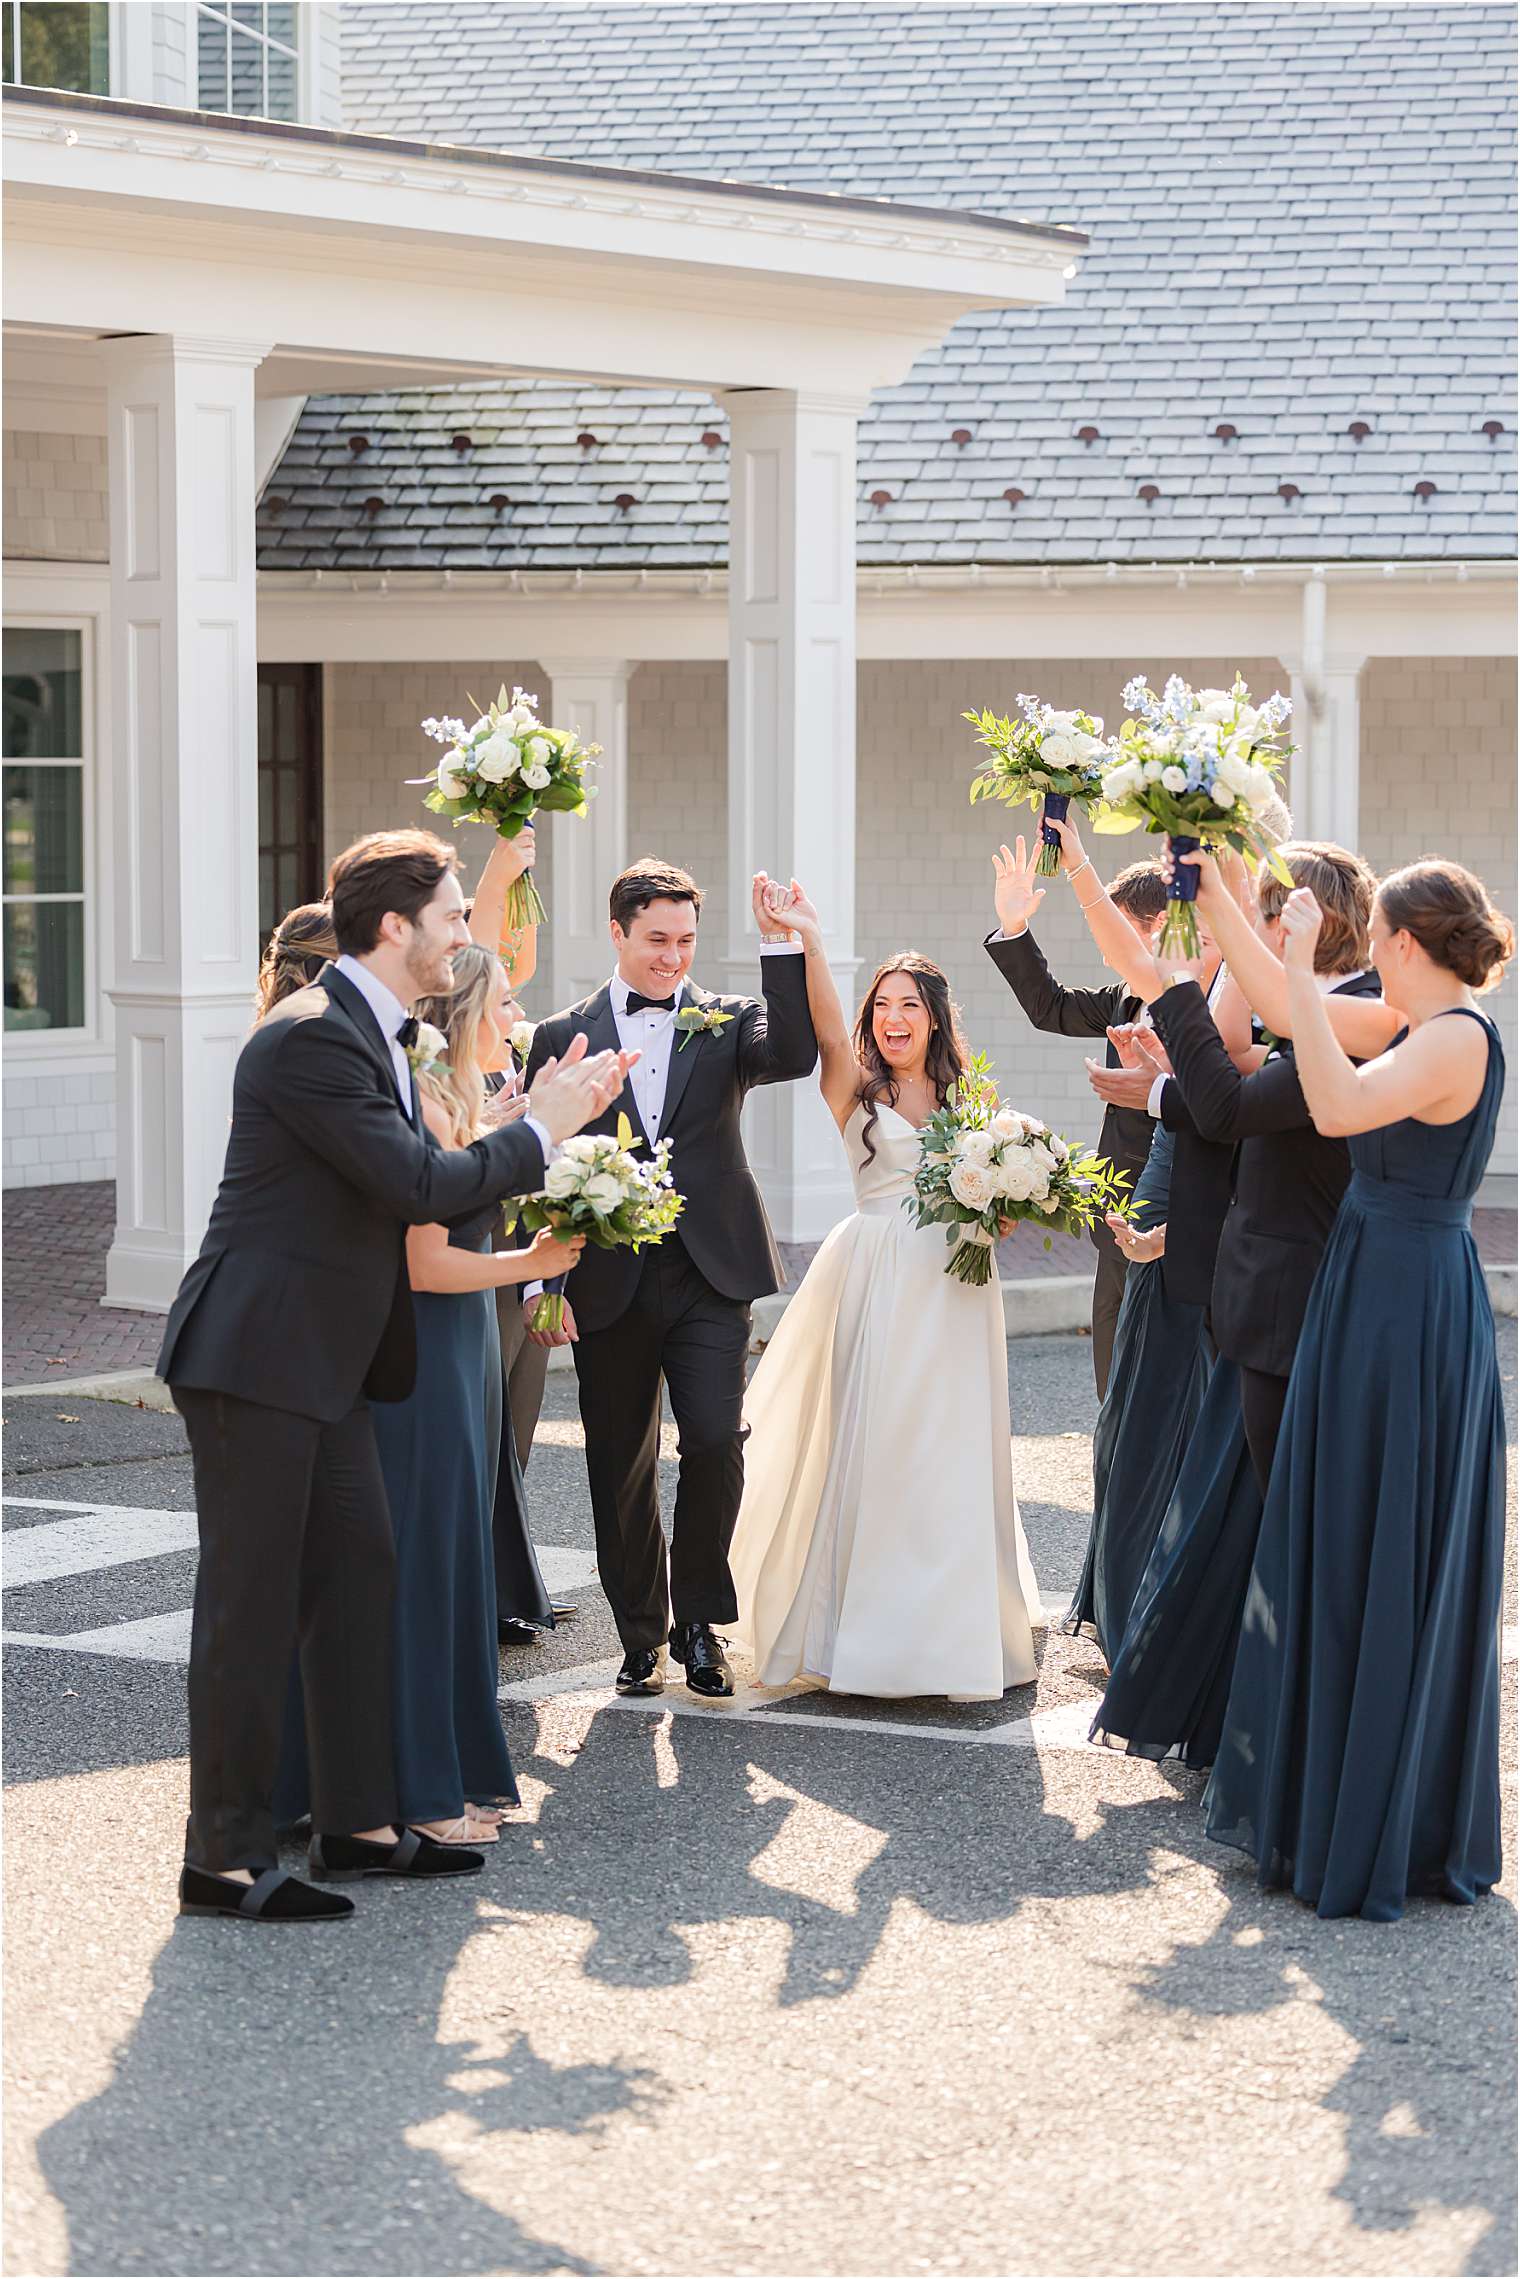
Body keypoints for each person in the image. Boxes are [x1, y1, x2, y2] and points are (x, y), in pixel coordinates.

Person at [161, 827, 631, 1924]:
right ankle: (221, 1862)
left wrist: (520, 1119)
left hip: (328, 1359)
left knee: (360, 1573)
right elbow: (412, 1183)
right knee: (251, 1608)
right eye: (455, 915)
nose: (464, 933)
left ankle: (359, 1824)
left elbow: (414, 1163)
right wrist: (546, 1132)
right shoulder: (312, 1034)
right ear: (395, 927)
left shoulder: (376, 1030)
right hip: (256, 1356)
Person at [1205, 860, 1512, 1920]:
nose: (1364, 941)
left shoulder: (1452, 1038)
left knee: (1376, 1535)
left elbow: (1331, 1107)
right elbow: (1295, 1006)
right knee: (1340, 1532)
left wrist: (1291, 958)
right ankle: (1333, 1801)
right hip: (1368, 1280)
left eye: (1373, 930)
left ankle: (1379, 1821)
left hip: (1404, 1301)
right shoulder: (1409, 1017)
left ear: (1400, 941)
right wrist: (1211, 888)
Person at [274, 942, 583, 1847]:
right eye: (503, 1008)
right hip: (424, 1356)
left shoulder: (457, 1102)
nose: (514, 1022)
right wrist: (532, 1261)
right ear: (465, 1018)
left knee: (452, 1569)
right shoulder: (430, 1108)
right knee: (421, 1573)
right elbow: (422, 1260)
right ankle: (414, 1786)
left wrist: (524, 1133)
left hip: (459, 1356)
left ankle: (419, 1772)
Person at [1092, 843, 1385, 1767]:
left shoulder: (1352, 1015)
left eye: (1252, 912)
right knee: (1250, 1517)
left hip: (1299, 1299)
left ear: (1300, 918)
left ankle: (1288, 1733)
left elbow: (1227, 1102)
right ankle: (1242, 1715)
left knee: (1285, 1520)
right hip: (1266, 1292)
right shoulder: (1324, 1009)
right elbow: (1234, 1078)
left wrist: (1171, 1066)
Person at [730, 898, 1043, 1700]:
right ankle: (859, 1636)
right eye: (883, 1004)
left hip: (960, 1283)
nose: (893, 1017)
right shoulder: (853, 1084)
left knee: (952, 1448)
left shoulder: (969, 1104)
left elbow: (994, 1195)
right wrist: (811, 939)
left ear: (936, 1021)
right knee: (877, 1442)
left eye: (910, 1004)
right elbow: (828, 1030)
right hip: (878, 1272)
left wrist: (1003, 1202)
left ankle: (949, 1636)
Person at [522, 858, 818, 1700]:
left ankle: (697, 1622)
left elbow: (795, 1050)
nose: (672, 957)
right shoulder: (560, 1034)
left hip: (709, 1270)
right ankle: (639, 1633)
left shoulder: (727, 1021)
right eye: (656, 939)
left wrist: (778, 945)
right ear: (617, 931)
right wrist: (540, 1284)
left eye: (686, 940)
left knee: (717, 1442)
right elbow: (538, 1164)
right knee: (619, 1460)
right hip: (607, 1278)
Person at [986, 842, 1167, 1396]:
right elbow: (1050, 1007)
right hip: (1113, 1204)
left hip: (1170, 1207)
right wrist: (1012, 924)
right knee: (1110, 1356)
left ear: (1157, 927)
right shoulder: (1121, 999)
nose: (1107, 954)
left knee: (1159, 1359)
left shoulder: (1202, 1005)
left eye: (1114, 934)